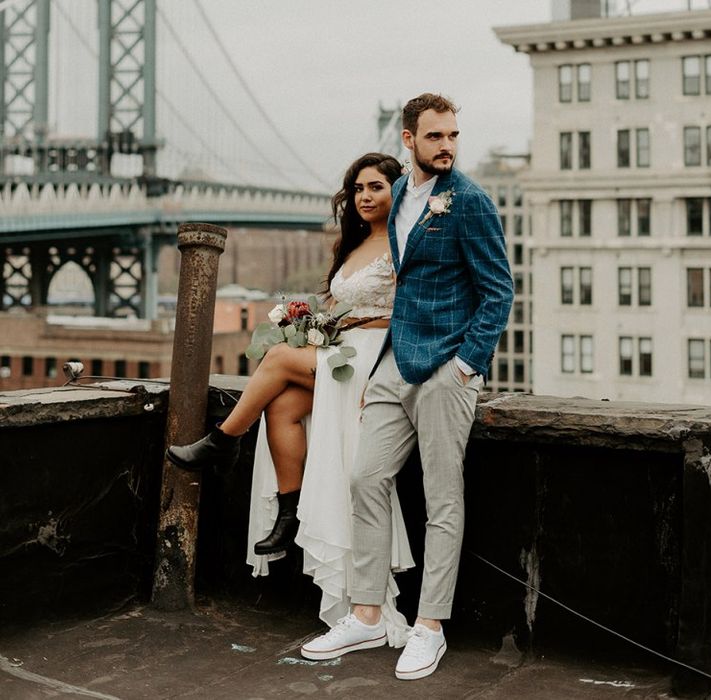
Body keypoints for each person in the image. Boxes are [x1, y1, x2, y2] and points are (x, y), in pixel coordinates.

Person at [300, 94, 514, 681]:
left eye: (454, 135)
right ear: (409, 139)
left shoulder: (468, 202)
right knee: (365, 477)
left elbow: (499, 291)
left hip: (448, 370)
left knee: (443, 501)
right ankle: (367, 614)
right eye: (435, 136)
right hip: (396, 364)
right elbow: (406, 289)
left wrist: (467, 366)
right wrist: (379, 369)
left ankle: (429, 627)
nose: (447, 145)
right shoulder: (398, 202)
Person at [166, 152, 414, 645]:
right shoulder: (355, 243)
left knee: (277, 361)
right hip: (343, 352)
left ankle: (223, 440)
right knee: (281, 406)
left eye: (376, 188)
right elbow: (340, 305)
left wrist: (388, 371)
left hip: (375, 359)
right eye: (358, 188)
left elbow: (411, 312)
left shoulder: (407, 243)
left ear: (398, 191)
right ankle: (288, 509)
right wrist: (316, 327)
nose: (365, 197)